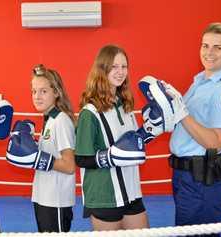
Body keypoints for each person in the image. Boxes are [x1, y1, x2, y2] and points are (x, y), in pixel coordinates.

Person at [167, 22, 221, 236]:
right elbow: (188, 127)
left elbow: (215, 142)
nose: (209, 52)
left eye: (218, 47)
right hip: (185, 176)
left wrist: (182, 113)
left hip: (202, 179)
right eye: (205, 45)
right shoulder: (199, 82)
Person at [74, 45, 150, 231]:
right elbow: (81, 158)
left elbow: (131, 146)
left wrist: (150, 130)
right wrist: (110, 156)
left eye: (124, 67)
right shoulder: (89, 112)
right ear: (102, 68)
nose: (120, 72)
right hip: (104, 196)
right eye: (114, 66)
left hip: (132, 191)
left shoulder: (125, 106)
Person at [6, 64, 76, 233]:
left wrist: (39, 158)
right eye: (34, 91)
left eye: (43, 91)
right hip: (43, 197)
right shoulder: (49, 120)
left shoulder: (61, 120)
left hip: (56, 201)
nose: (37, 96)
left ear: (56, 92)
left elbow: (69, 165)